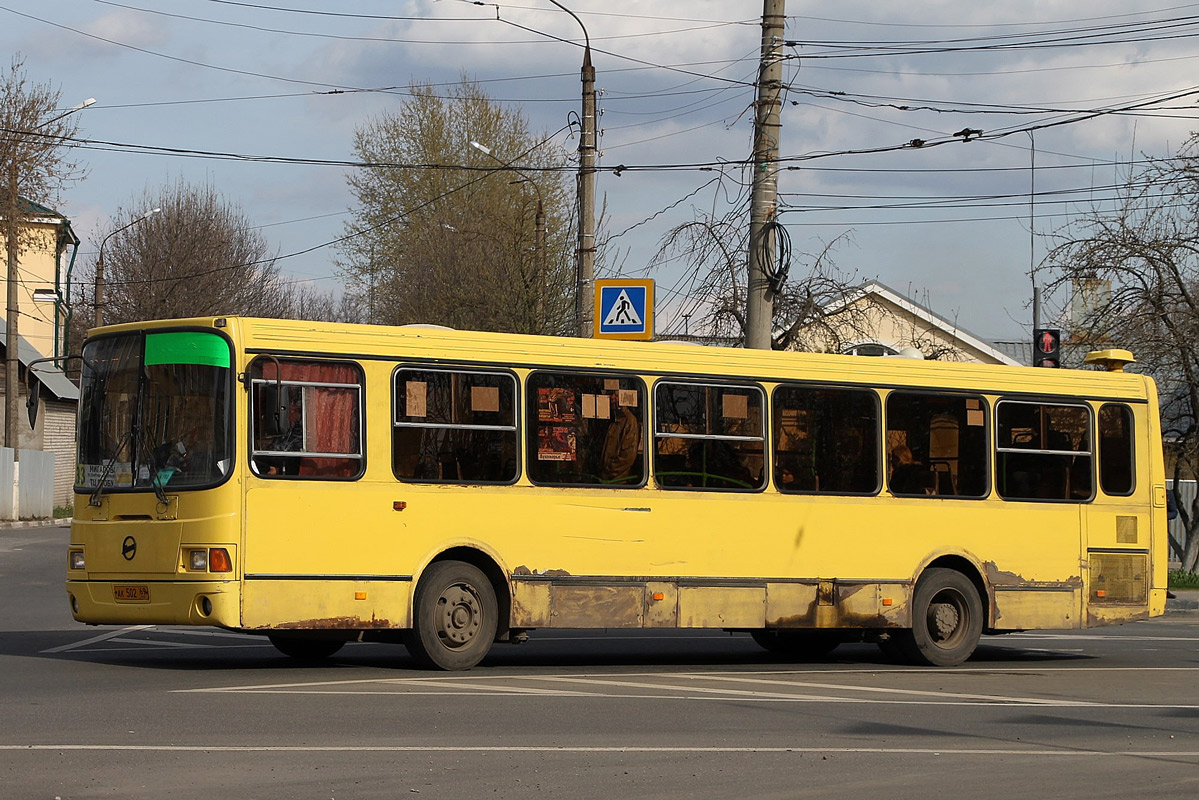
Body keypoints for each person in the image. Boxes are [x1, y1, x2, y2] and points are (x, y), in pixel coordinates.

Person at [600, 398, 640, 482]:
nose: (612, 398)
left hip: (619, 480)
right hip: (607, 477)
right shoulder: (614, 420)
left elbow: (628, 456)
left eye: (615, 395)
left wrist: (611, 469)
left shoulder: (630, 421)